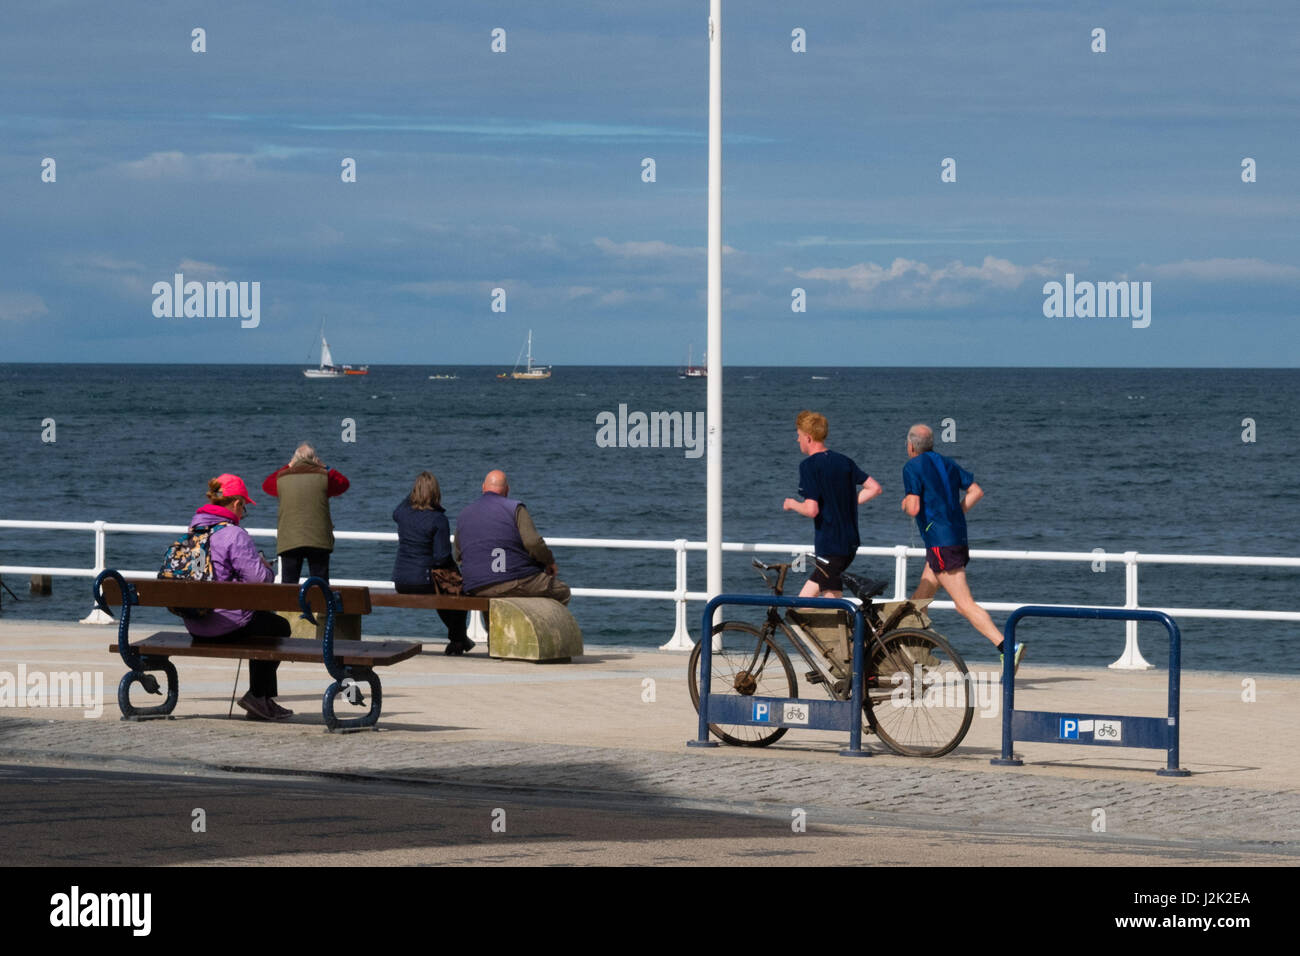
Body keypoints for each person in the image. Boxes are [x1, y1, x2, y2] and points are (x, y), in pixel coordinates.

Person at [900, 423, 1024, 671]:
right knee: (919, 601)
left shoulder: (912, 466)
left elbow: (913, 508)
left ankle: (1007, 646)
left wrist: (904, 503)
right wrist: (955, 514)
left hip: (940, 545)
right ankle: (908, 652)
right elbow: (976, 491)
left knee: (963, 604)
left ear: (911, 446)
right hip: (954, 539)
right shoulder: (948, 463)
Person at [184, 473, 293, 721]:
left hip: (196, 622)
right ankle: (258, 697)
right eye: (244, 507)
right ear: (236, 503)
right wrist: (266, 566)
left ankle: (263, 699)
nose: (243, 513)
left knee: (264, 622)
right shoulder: (234, 534)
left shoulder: (195, 530)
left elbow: (202, 573)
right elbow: (259, 580)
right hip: (225, 625)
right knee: (278, 627)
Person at [782, 410, 883, 598]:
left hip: (830, 546)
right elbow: (875, 488)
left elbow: (812, 509)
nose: (797, 440)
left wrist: (792, 504)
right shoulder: (844, 461)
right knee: (815, 603)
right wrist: (849, 503)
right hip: (850, 543)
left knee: (816, 605)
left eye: (799, 436)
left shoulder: (809, 466)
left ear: (809, 438)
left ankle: (859, 628)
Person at [454, 470, 571, 604]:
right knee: (562, 591)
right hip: (512, 581)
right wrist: (549, 562)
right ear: (507, 489)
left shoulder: (464, 514)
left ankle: (492, 625)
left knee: (492, 603)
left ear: (483, 487)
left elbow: (459, 555)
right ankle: (537, 624)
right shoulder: (514, 508)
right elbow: (533, 543)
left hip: (475, 586)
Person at [392, 471, 474, 656]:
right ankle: (457, 639)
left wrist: (416, 491)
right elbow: (442, 557)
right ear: (437, 493)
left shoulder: (402, 513)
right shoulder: (438, 520)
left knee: (445, 592)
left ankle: (459, 639)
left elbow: (399, 508)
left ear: (414, 492)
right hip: (424, 581)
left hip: (401, 582)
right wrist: (454, 568)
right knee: (460, 592)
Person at [261, 443, 350, 584]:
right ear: (314, 459)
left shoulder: (283, 478)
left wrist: (288, 466)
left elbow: (267, 485)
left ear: (294, 459)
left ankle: (288, 606)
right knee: (320, 583)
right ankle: (320, 605)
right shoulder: (324, 476)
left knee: (289, 583)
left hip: (290, 538)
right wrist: (325, 466)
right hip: (318, 538)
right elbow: (344, 484)